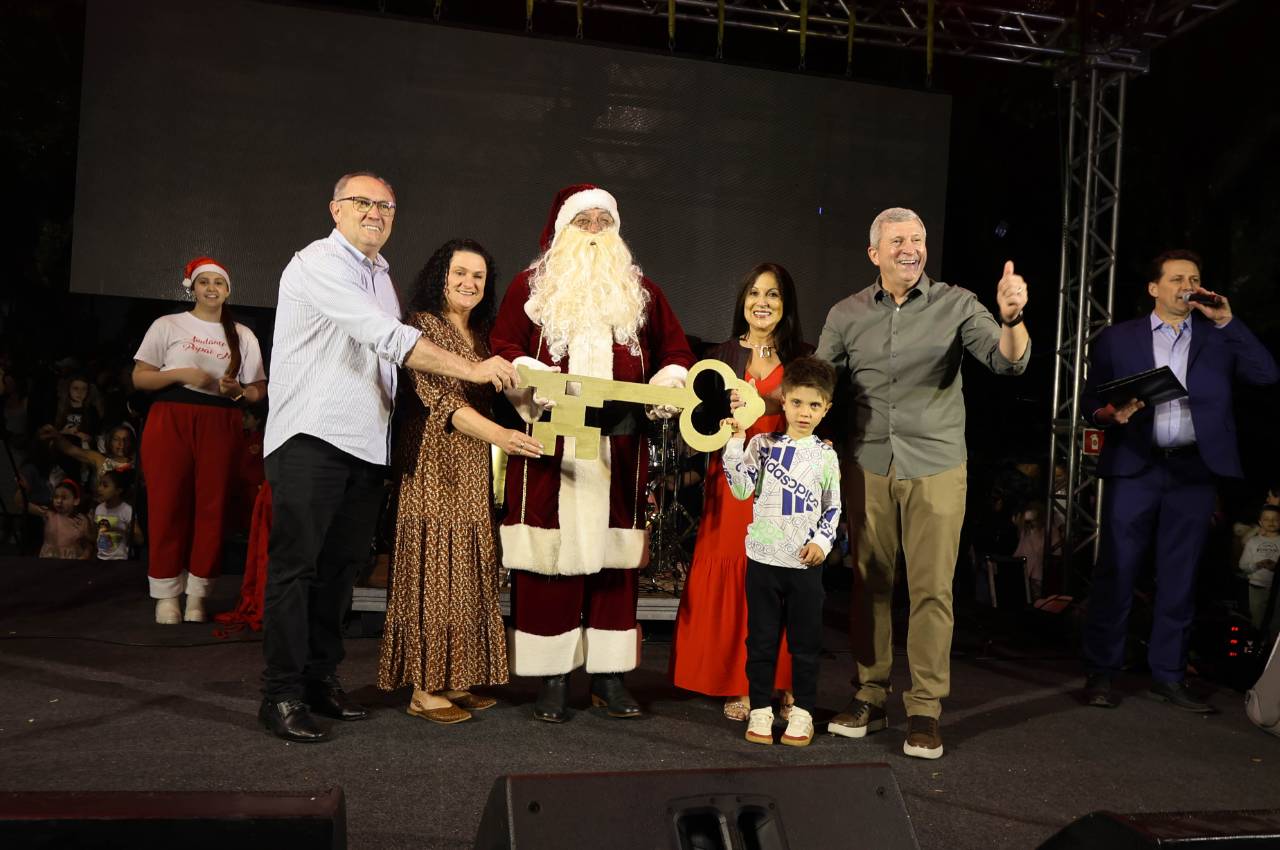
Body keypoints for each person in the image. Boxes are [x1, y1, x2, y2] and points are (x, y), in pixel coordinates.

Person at [259, 171, 518, 744]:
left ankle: (320, 680)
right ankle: (281, 694)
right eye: (362, 203)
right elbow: (386, 338)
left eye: (386, 206)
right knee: (297, 570)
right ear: (336, 210)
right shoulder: (317, 263)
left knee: (340, 572)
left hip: (365, 445)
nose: (374, 213)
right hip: (311, 435)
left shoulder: (380, 275)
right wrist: (474, 370)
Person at [817, 207, 1030, 759]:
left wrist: (1011, 319)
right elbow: (818, 384)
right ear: (875, 253)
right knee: (869, 584)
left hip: (936, 465)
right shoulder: (846, 313)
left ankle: (925, 709)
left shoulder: (956, 304)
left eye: (917, 238)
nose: (909, 248)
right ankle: (869, 695)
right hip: (868, 464)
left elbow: (1007, 362)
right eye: (897, 241)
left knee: (932, 590)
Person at [491, 183, 695, 722]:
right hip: (551, 443)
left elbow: (675, 351)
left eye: (604, 222)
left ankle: (609, 676)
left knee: (614, 565)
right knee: (548, 561)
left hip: (619, 445)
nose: (595, 231)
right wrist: (532, 378)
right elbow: (504, 346)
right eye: (584, 221)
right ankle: (552, 677)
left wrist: (668, 382)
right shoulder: (530, 287)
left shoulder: (641, 291)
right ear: (562, 229)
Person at [1081, 249, 1279, 711]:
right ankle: (1102, 672)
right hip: (1136, 463)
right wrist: (1109, 413)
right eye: (1176, 279)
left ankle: (1168, 676)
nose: (1187, 286)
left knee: (1181, 574)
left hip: (1193, 469)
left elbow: (1267, 374)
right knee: (1118, 570)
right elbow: (1092, 400)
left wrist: (1227, 320)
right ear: (1154, 288)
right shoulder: (1118, 338)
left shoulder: (1217, 336)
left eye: (1194, 278)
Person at [377, 238, 540, 724]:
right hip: (432, 462)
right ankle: (423, 689)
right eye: (460, 273)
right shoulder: (421, 326)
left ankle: (453, 677)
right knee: (433, 569)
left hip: (470, 465)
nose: (469, 283)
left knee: (467, 567)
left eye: (478, 276)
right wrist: (503, 437)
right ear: (440, 277)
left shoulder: (484, 336)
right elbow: (443, 404)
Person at [670, 262, 810, 721]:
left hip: (783, 486)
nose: (761, 302)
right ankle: (740, 682)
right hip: (731, 484)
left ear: (786, 305)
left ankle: (779, 681)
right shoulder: (720, 356)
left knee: (778, 580)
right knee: (739, 574)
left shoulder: (802, 359)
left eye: (772, 294)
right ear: (742, 301)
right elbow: (697, 426)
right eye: (754, 293)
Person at [131, 257, 267, 625]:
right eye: (204, 282)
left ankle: (197, 595)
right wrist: (182, 374)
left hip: (221, 420)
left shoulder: (243, 334)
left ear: (228, 290)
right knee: (167, 503)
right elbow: (140, 377)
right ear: (192, 287)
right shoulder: (168, 324)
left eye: (218, 283)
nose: (211, 288)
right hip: (171, 417)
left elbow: (258, 389)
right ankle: (166, 595)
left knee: (212, 506)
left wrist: (240, 391)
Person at [722, 357, 841, 747]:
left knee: (805, 644)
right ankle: (760, 708)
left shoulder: (826, 455)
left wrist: (822, 542)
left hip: (805, 566)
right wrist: (735, 441)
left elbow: (832, 507)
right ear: (784, 402)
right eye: (798, 403)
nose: (805, 412)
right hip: (763, 560)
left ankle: (802, 712)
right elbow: (740, 488)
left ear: (826, 409)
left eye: (814, 405)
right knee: (761, 641)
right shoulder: (762, 445)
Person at [1239, 505, 1280, 631]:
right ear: (1260, 522)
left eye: (1275, 519)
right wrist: (1258, 564)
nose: (1271, 522)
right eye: (1266, 519)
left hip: (1277, 590)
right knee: (1258, 621)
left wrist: (1276, 567)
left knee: (1276, 622)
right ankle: (1258, 641)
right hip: (1257, 587)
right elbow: (1243, 565)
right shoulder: (1253, 542)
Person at [29, 478, 93, 560]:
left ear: (76, 501)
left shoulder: (81, 520)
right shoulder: (49, 514)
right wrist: (22, 489)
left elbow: (88, 543)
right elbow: (22, 505)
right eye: (56, 497)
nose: (59, 501)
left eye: (64, 497)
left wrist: (85, 555)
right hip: (49, 559)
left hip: (72, 561)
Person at [93, 469, 139, 561]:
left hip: (119, 560)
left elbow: (139, 539)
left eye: (105, 486)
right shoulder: (99, 508)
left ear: (118, 490)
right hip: (100, 558)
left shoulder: (127, 510)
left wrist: (121, 530)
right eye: (100, 484)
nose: (99, 489)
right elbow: (97, 535)